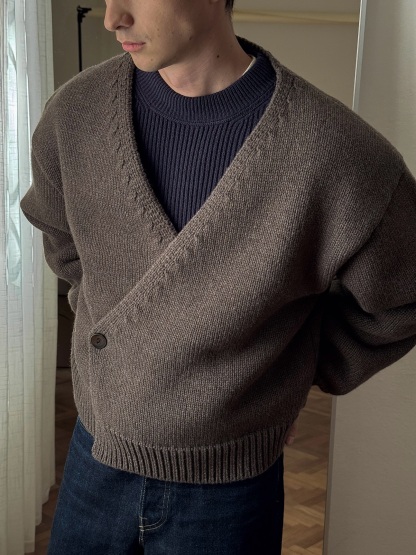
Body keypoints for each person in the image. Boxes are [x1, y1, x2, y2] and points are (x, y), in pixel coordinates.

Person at [20, 0, 416, 553]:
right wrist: (114, 345)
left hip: (228, 490)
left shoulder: (339, 155)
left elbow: (402, 301)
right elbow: (60, 236)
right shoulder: (75, 114)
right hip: (94, 457)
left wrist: (283, 378)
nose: (112, 18)